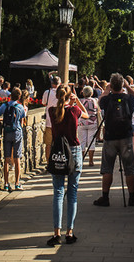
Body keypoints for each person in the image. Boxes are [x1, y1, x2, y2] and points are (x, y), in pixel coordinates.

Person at [45, 84, 88, 246]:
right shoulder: (74, 111)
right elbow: (86, 115)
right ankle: (69, 231)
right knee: (73, 192)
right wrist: (76, 101)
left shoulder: (52, 111)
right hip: (74, 152)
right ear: (70, 96)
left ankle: (56, 232)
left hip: (58, 152)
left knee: (58, 192)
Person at [93, 73, 134, 207]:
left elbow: (99, 101)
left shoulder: (107, 100)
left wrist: (107, 89)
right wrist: (128, 87)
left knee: (107, 168)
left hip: (110, 137)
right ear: (122, 85)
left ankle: (105, 197)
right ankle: (131, 197)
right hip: (126, 136)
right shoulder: (128, 98)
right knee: (129, 168)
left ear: (111, 85)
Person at [0, 87, 28, 191]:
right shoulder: (20, 107)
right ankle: (17, 183)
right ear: (19, 97)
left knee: (7, 159)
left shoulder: (4, 105)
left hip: (7, 132)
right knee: (17, 158)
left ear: (10, 95)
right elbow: (22, 121)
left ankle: (6, 183)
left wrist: (0, 119)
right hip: (17, 132)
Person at [77, 86, 99, 166]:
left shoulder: (80, 101)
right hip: (92, 122)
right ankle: (91, 160)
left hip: (82, 122)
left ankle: (81, 160)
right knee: (91, 141)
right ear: (92, 93)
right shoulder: (95, 100)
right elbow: (98, 111)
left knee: (82, 141)